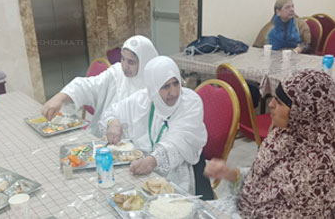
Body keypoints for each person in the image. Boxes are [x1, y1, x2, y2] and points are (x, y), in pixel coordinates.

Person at [205, 69, 335, 218]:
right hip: (244, 208)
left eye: (279, 103)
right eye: (273, 97)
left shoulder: (319, 169)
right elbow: (264, 180)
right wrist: (232, 174)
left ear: (303, 113)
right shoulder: (283, 133)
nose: (271, 104)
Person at [99, 56, 207, 194]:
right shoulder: (144, 99)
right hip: (142, 167)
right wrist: (113, 123)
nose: (173, 92)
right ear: (153, 87)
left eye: (176, 83)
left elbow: (178, 141)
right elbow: (110, 113)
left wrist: (153, 160)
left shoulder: (190, 102)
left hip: (177, 173)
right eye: (165, 86)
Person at [41, 35, 158, 137]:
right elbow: (88, 86)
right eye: (123, 59)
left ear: (145, 62)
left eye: (131, 62)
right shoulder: (116, 74)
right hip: (105, 139)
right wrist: (60, 97)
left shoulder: (156, 85)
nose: (125, 66)